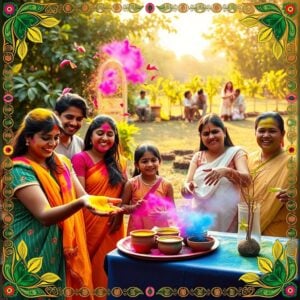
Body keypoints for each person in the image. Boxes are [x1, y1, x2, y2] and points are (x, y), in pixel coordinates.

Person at [7, 108, 116, 299]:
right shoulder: (18, 170)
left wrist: (93, 201)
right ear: (28, 138)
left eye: (56, 138)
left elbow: (82, 196)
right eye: (46, 138)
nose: (52, 144)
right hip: (30, 251)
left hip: (59, 251)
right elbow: (44, 215)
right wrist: (82, 203)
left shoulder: (61, 164)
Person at [71, 115, 127, 291]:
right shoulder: (81, 159)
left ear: (115, 138)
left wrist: (121, 213)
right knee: (90, 270)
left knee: (110, 271)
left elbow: (127, 189)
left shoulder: (120, 162)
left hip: (113, 224)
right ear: (90, 136)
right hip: (89, 223)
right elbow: (80, 194)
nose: (105, 138)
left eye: (110, 134)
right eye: (100, 133)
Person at [181, 113, 251, 232]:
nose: (211, 136)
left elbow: (247, 181)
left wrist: (227, 172)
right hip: (200, 220)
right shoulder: (198, 157)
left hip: (229, 221)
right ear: (201, 137)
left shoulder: (236, 153)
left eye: (215, 131)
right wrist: (187, 188)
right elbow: (186, 191)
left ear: (224, 132)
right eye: (206, 134)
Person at [248, 112, 290, 237]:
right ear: (255, 133)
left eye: (272, 131)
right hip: (249, 234)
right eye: (261, 131)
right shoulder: (248, 159)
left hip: (279, 235)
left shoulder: (292, 162)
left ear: (282, 134)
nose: (266, 135)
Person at [122, 143, 175, 235]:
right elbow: (122, 207)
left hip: (161, 232)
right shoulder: (131, 184)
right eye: (144, 161)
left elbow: (173, 211)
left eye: (153, 160)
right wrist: (134, 207)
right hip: (138, 232)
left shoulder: (166, 185)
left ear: (160, 161)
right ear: (136, 165)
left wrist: (164, 215)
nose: (150, 164)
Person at [55, 92, 88, 159]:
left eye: (79, 119)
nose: (74, 123)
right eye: (69, 117)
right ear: (57, 115)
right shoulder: (47, 144)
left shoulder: (80, 144)